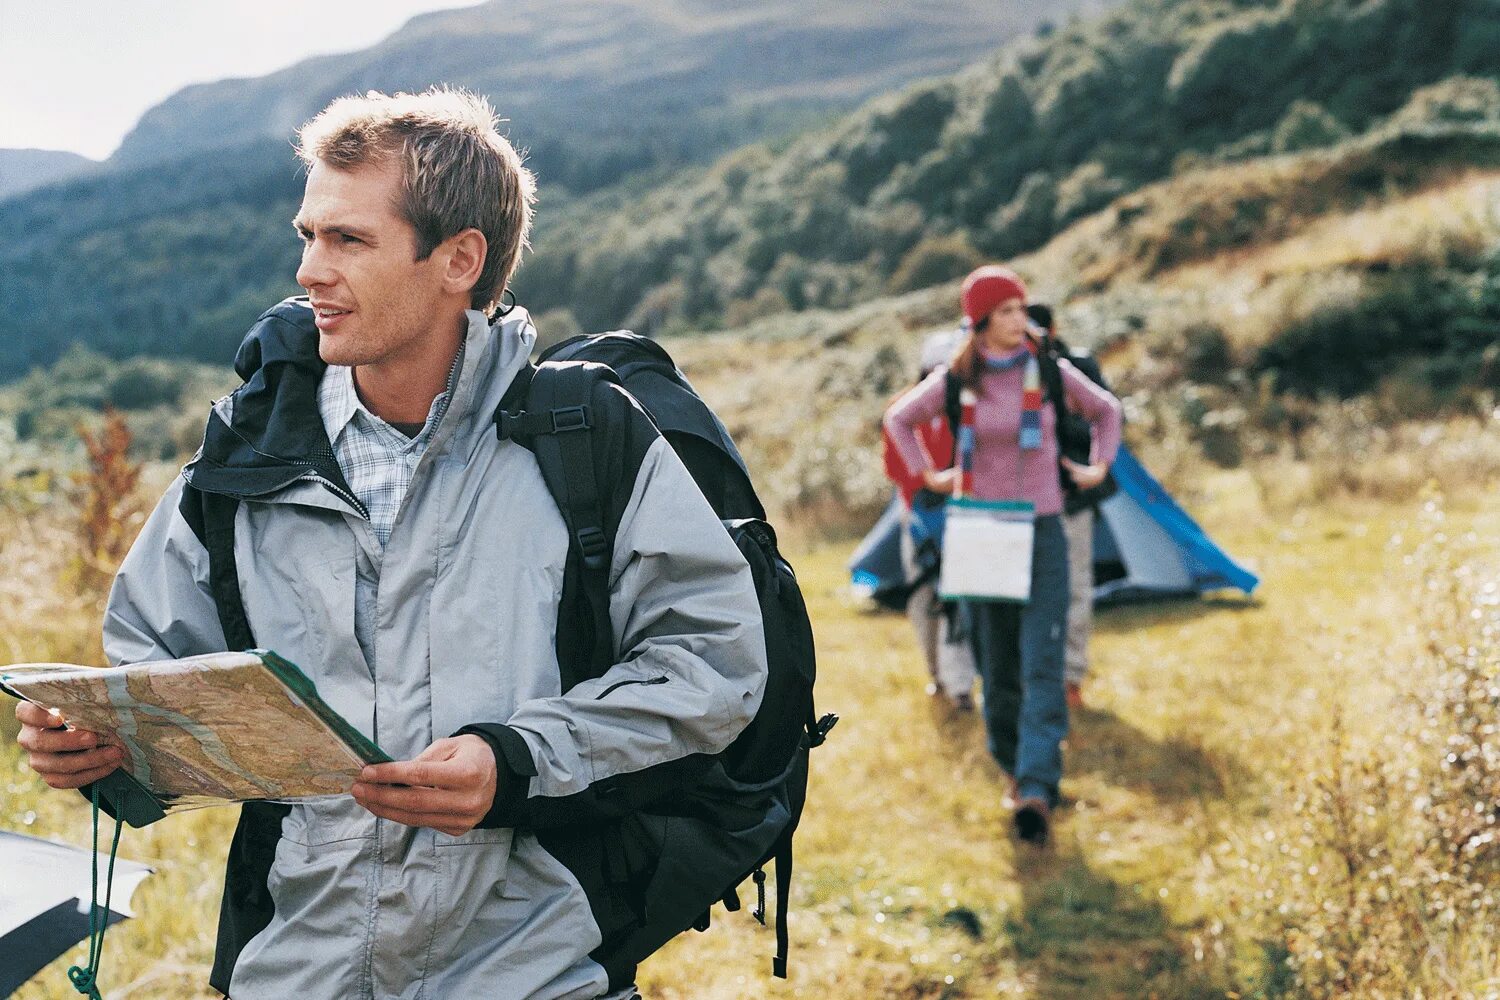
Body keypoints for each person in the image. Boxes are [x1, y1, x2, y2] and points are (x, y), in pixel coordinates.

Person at [13, 88, 766, 1000]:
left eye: (349, 241)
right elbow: (154, 669)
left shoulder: (587, 442)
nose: (309, 271)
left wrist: (518, 759)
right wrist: (109, 754)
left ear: (458, 260)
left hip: (536, 968)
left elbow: (710, 662)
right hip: (292, 970)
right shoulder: (246, 452)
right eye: (308, 235)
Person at [883, 266, 1121, 844]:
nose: (1024, 319)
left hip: (1041, 531)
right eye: (1011, 310)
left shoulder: (1050, 369)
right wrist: (929, 476)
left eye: (1023, 308)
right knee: (997, 666)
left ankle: (1038, 786)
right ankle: (1015, 768)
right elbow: (899, 419)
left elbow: (1107, 412)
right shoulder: (956, 377)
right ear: (983, 321)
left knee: (1042, 658)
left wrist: (1097, 467)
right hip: (981, 533)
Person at [1027, 302, 1118, 711]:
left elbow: (1104, 415)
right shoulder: (1001, 373)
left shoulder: (1073, 368)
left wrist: (1086, 463)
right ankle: (1034, 677)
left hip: (1070, 497)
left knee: (1076, 586)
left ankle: (1071, 678)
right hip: (1023, 505)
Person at [881, 328, 977, 709]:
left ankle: (959, 684)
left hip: (956, 514)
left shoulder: (966, 405)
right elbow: (894, 465)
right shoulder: (906, 409)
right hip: (919, 515)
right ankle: (940, 677)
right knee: (926, 599)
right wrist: (930, 481)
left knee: (954, 599)